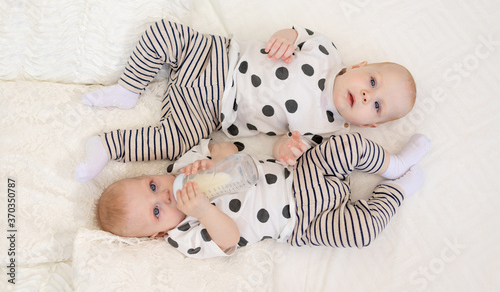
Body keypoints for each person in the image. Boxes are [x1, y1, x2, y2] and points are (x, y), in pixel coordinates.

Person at [75, 19, 416, 182]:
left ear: (368, 123)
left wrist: (286, 151)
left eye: (376, 105)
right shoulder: (326, 51)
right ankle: (128, 88)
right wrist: (286, 36)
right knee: (163, 32)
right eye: (373, 81)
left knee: (176, 141)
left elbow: (282, 147)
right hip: (215, 56)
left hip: (210, 110)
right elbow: (297, 32)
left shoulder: (325, 130)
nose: (369, 94)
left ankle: (108, 145)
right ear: (359, 66)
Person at [97, 132, 430, 259]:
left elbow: (228, 145)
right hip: (303, 222)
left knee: (345, 145)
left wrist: (213, 161)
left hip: (301, 173)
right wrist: (203, 209)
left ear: (151, 175)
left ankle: (393, 163)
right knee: (360, 232)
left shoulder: (185, 165)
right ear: (157, 233)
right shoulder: (184, 237)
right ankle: (396, 190)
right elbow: (230, 239)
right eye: (157, 212)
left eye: (153, 187)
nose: (166, 197)